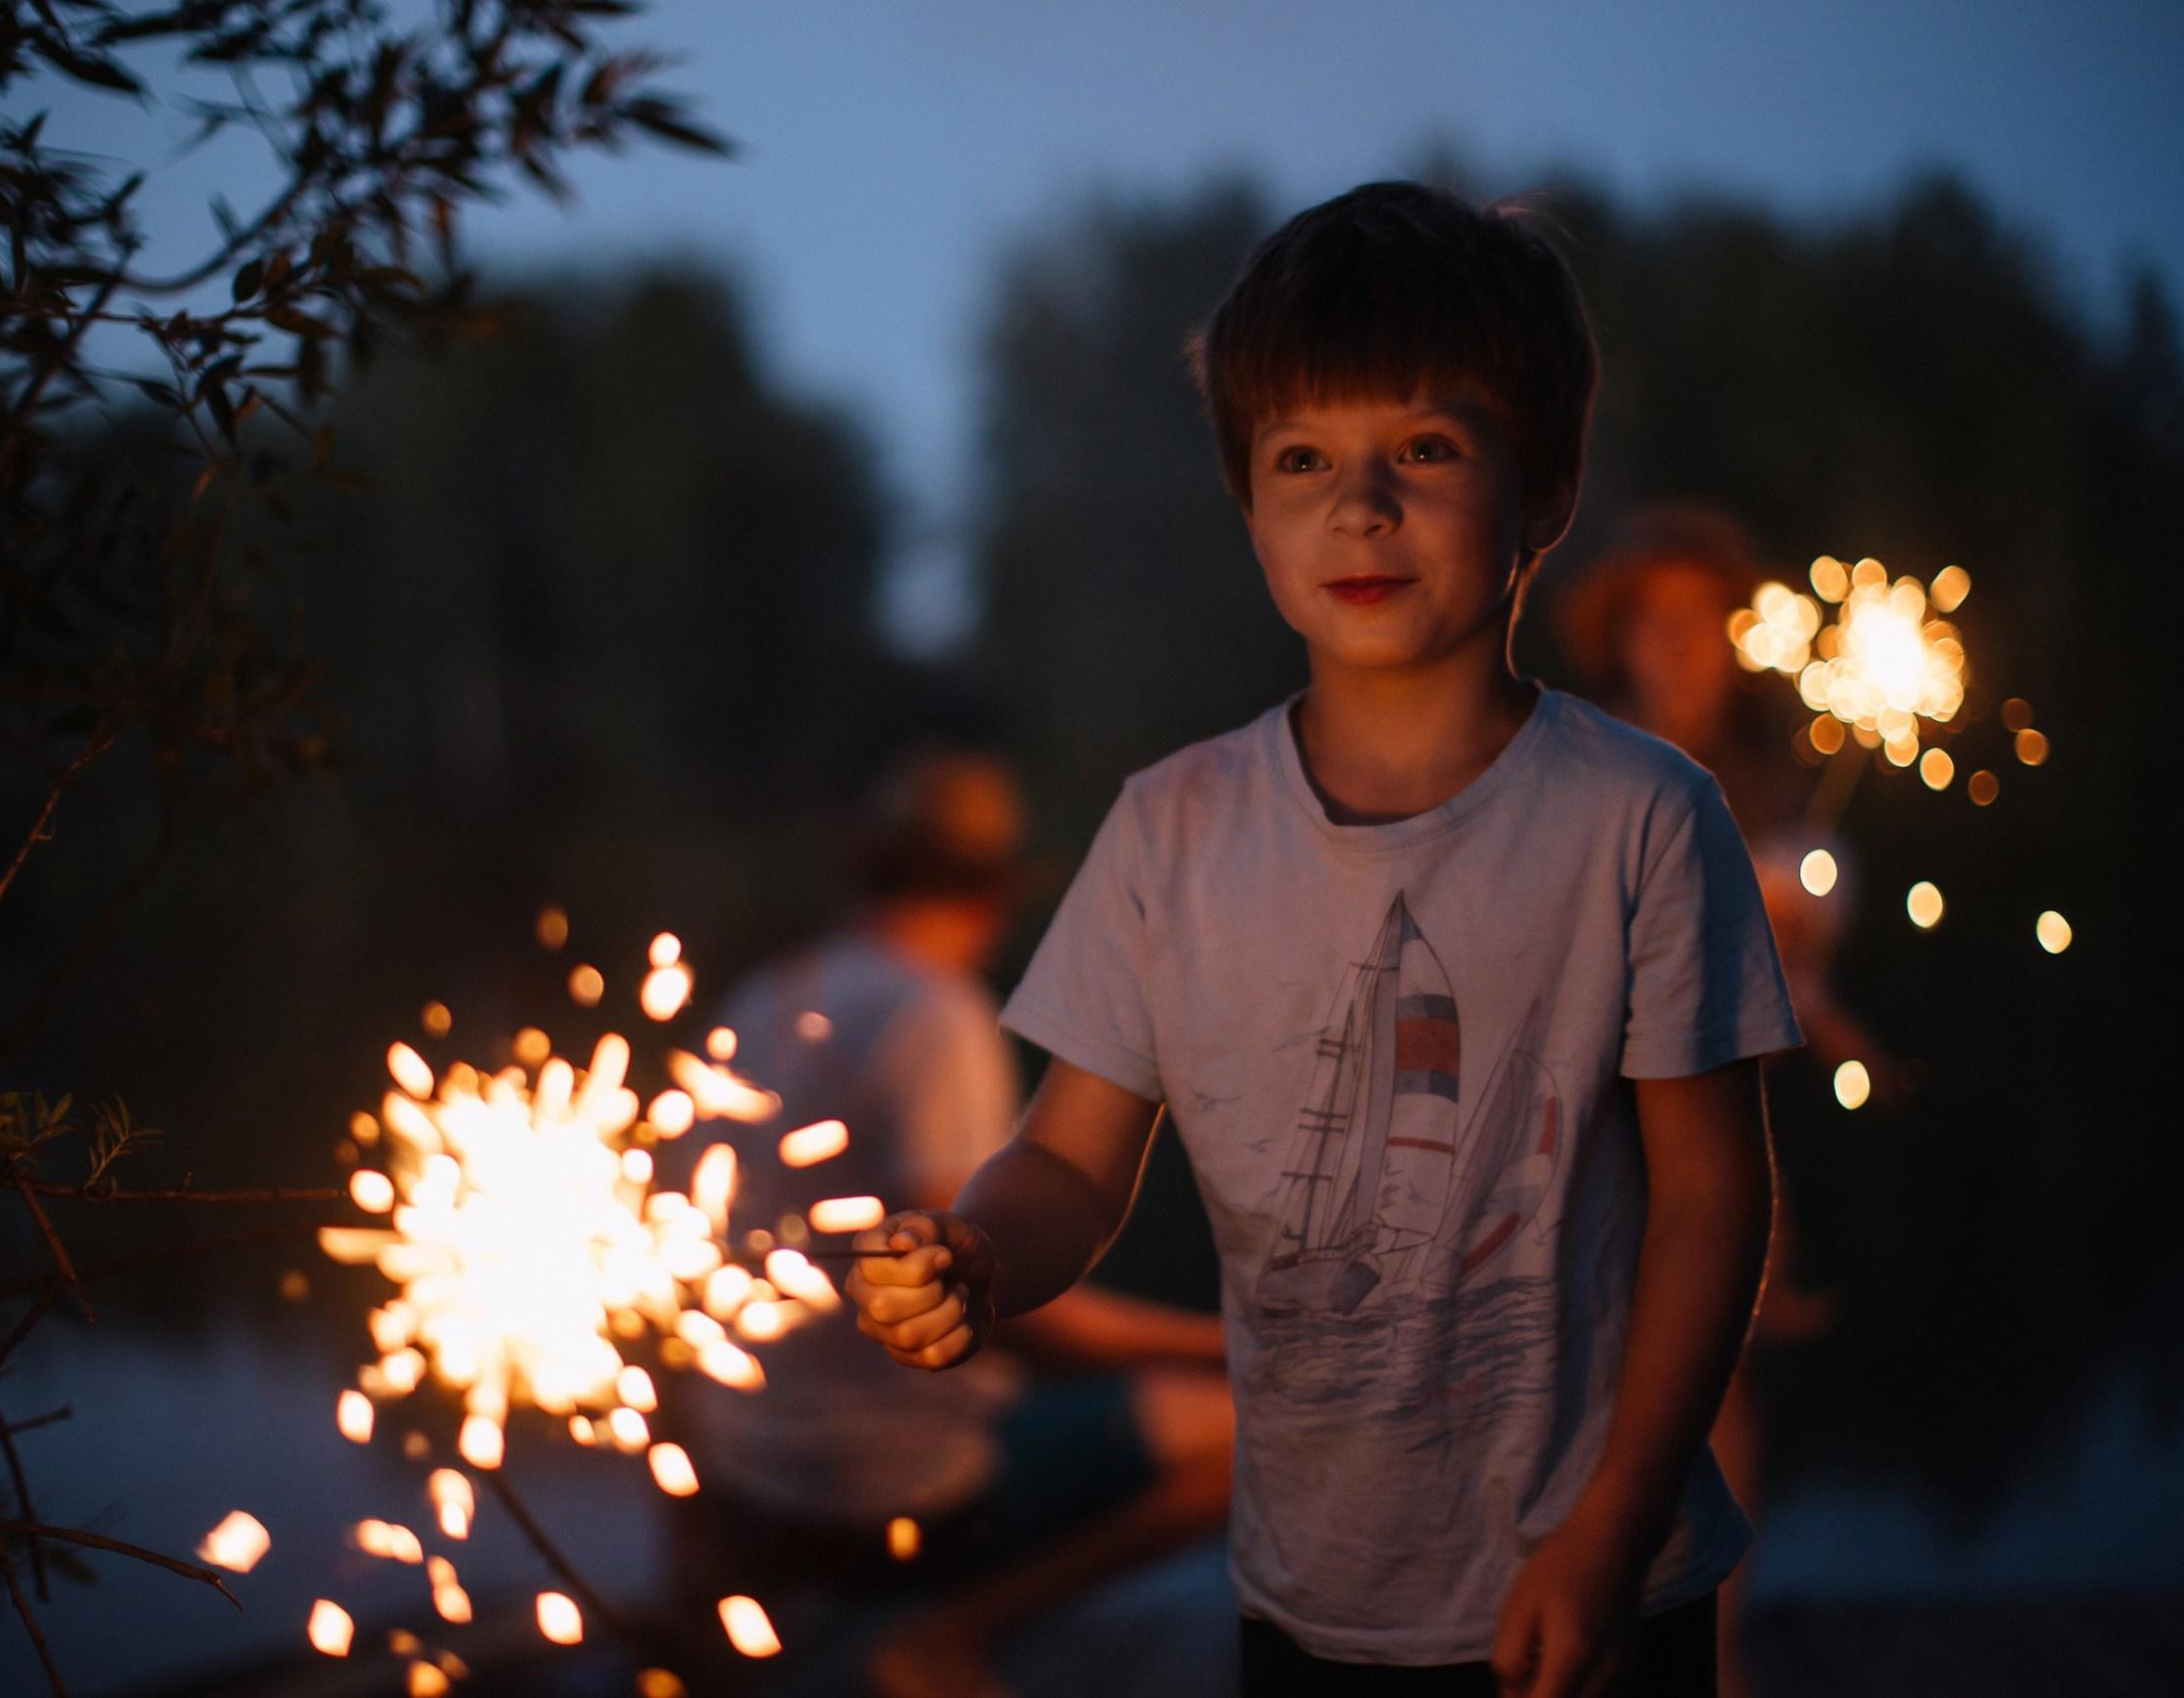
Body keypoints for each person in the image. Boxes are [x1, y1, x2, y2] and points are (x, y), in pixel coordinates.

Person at [846, 181, 1801, 1698]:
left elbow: (1711, 1199)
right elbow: (1071, 1163)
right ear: (1251, 511)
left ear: (1542, 490)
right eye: (1303, 459)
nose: (1361, 505)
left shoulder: (1642, 816)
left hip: (1598, 1581)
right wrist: (974, 1246)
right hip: (1304, 1599)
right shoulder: (1172, 828)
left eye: (1424, 448)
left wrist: (1613, 1524)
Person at [676, 749, 1232, 1698]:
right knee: (1238, 1431)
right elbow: (1004, 1306)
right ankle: (946, 1638)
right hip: (892, 1488)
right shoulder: (935, 1018)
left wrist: (692, 1544)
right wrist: (1221, 1344)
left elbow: (680, 1279)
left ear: (866, 868)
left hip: (749, 1475)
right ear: (993, 898)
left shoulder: (765, 999)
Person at [1558, 507, 1861, 1696]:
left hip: (1726, 1144)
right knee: (1583, 1391)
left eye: (1701, 620)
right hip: (1593, 1139)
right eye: (1654, 620)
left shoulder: (1772, 781)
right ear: (1619, 637)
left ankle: (1716, 1659)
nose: (1679, 644)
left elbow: (1786, 985)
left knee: (1721, 1379)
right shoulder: (1578, 765)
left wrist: (1836, 1019)